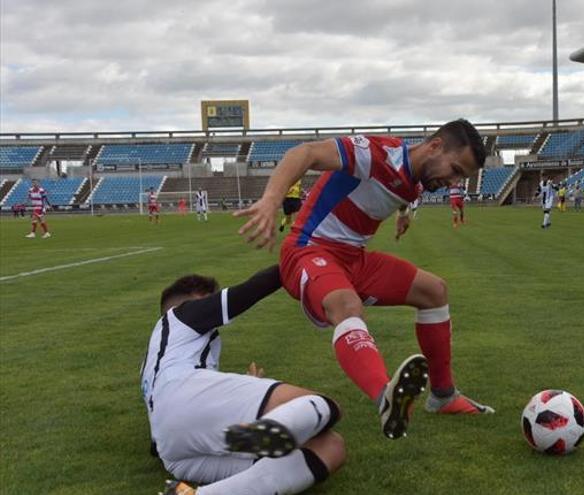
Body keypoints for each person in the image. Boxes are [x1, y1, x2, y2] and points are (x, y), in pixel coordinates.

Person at [235, 119, 495, 441]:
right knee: (347, 305)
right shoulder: (375, 154)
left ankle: (443, 395)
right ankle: (385, 397)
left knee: (435, 291)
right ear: (435, 146)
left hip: (353, 258)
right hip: (308, 249)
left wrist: (401, 216)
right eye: (455, 170)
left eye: (461, 177)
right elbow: (305, 152)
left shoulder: (418, 179)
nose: (453, 182)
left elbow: (403, 191)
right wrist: (272, 200)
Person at [144, 265, 345, 495]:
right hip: (185, 394)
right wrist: (295, 262)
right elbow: (248, 291)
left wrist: (244, 388)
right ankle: (255, 435)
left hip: (172, 453)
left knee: (331, 447)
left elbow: (180, 418)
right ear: (188, 303)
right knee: (326, 406)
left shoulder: (158, 358)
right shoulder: (180, 315)